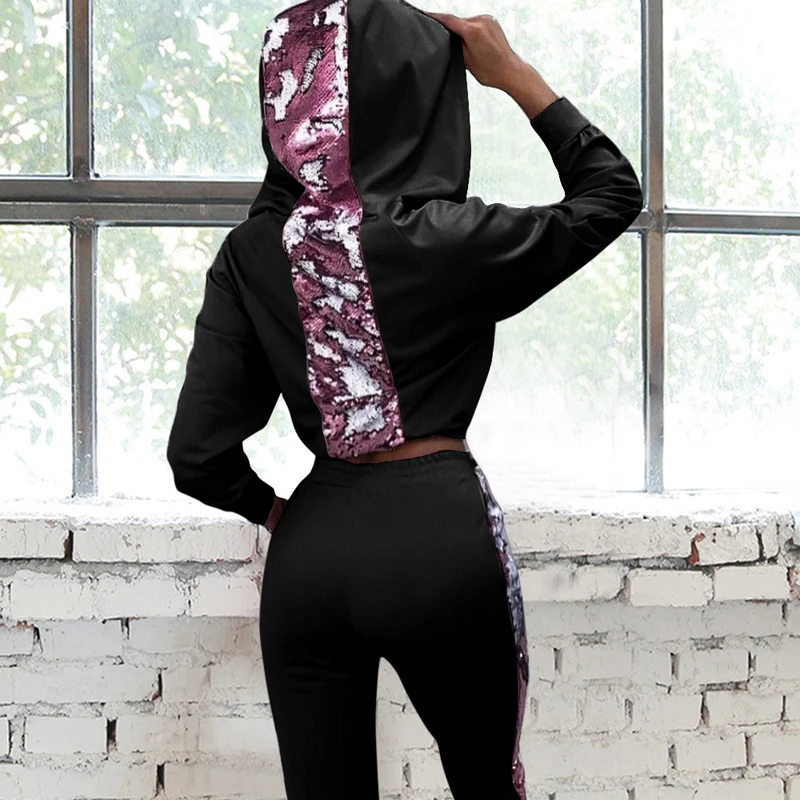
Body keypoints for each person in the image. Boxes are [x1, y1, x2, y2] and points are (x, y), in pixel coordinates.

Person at [165, 0, 643, 798]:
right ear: (421, 97)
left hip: (311, 553)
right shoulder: (448, 236)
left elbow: (197, 456)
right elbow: (610, 194)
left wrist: (280, 515)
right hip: (436, 541)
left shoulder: (251, 251)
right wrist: (515, 76)